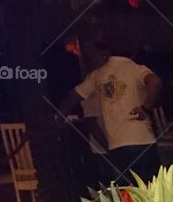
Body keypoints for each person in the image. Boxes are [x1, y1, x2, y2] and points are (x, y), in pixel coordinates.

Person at [58, 34, 162, 185]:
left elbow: (72, 97)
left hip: (116, 146)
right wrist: (146, 108)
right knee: (153, 193)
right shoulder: (135, 68)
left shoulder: (97, 75)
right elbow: (155, 82)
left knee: (124, 197)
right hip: (142, 141)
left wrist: (59, 120)